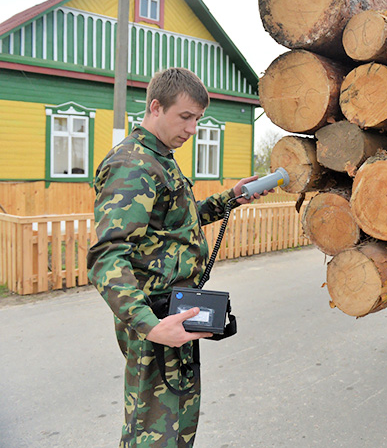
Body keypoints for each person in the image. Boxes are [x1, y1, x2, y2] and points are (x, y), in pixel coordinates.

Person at [87, 67, 270, 447]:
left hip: (175, 312)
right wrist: (150, 326)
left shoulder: (160, 157)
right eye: (185, 117)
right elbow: (108, 255)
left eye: (198, 119)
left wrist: (231, 197)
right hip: (154, 317)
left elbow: (175, 225)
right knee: (152, 431)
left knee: (177, 424)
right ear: (156, 107)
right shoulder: (132, 164)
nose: (192, 128)